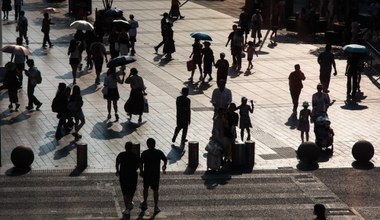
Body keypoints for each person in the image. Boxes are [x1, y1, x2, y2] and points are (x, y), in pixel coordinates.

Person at [139, 138, 167, 214]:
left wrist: (141, 171)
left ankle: (145, 202)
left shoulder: (144, 153)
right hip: (155, 174)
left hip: (147, 174)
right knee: (155, 190)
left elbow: (140, 163)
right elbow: (165, 159)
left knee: (145, 188)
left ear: (147, 145)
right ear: (155, 144)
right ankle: (156, 206)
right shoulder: (159, 152)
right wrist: (164, 166)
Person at [116, 141, 140, 216]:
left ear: (125, 147)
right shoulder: (135, 155)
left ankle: (127, 208)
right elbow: (139, 164)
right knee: (132, 189)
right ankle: (130, 202)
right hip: (133, 175)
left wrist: (118, 171)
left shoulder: (121, 155)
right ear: (132, 148)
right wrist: (136, 169)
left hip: (124, 175)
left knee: (125, 192)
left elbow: (117, 164)